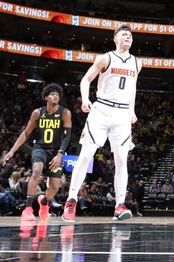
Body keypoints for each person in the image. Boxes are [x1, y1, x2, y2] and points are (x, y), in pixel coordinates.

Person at [62, 24, 140, 222]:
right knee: (86, 154)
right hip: (102, 109)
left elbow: (132, 89)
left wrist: (132, 110)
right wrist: (86, 99)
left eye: (130, 35)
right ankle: (71, 200)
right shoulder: (105, 58)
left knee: (122, 160)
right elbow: (86, 80)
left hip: (122, 113)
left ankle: (119, 205)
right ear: (115, 39)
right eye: (124, 34)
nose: (128, 37)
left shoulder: (137, 62)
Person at [2, 84, 72, 222]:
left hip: (56, 151)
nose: (55, 95)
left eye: (57, 94)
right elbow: (26, 133)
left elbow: (67, 136)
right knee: (36, 171)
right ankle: (28, 210)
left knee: (54, 187)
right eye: (52, 94)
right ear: (46, 97)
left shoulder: (65, 113)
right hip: (40, 148)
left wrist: (60, 154)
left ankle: (44, 201)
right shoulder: (37, 113)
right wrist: (11, 151)